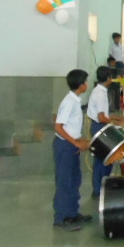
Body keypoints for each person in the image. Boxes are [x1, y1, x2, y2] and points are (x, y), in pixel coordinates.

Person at [53, 69, 91, 231]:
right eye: (86, 82)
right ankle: (61, 218)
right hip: (64, 146)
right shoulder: (69, 102)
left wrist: (79, 140)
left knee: (75, 180)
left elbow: (71, 127)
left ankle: (72, 213)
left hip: (71, 145)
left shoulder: (75, 100)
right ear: (81, 85)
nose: (87, 84)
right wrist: (75, 143)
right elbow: (58, 127)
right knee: (65, 182)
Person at [87, 66, 124, 199]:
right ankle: (98, 190)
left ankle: (102, 188)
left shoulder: (100, 90)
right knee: (102, 161)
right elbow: (101, 118)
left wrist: (118, 119)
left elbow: (104, 114)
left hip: (101, 126)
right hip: (99, 127)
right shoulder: (100, 94)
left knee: (106, 160)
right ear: (109, 78)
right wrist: (117, 123)